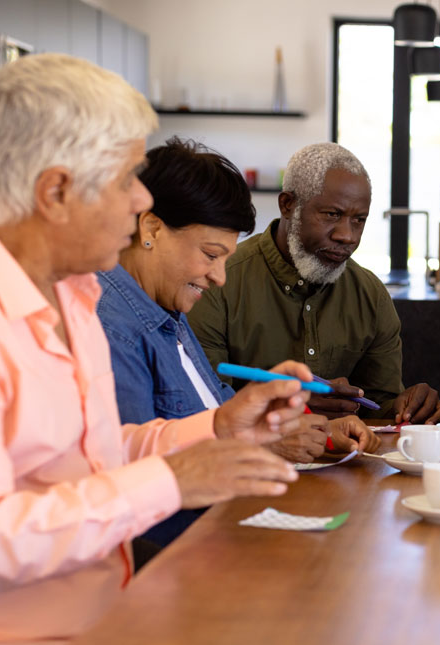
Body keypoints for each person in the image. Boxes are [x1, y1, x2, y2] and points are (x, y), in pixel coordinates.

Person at [0, 54, 313, 645]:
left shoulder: (72, 288)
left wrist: (214, 430)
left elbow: (87, 456)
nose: (144, 201)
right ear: (56, 192)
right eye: (128, 178)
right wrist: (172, 483)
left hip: (98, 615)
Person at [97, 137, 378, 547]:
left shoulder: (166, 312)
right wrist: (267, 445)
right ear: (151, 228)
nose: (219, 278)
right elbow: (135, 476)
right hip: (181, 554)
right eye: (210, 255)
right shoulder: (113, 327)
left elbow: (211, 412)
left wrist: (300, 429)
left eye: (226, 259)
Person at [187, 143, 440, 424]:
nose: (347, 236)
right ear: (288, 205)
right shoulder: (217, 282)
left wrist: (406, 409)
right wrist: (290, 407)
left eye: (359, 220)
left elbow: (378, 405)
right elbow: (201, 404)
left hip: (344, 465)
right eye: (332, 215)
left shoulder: (370, 295)